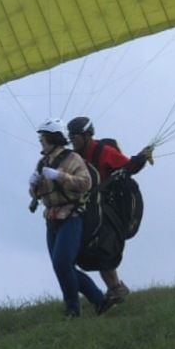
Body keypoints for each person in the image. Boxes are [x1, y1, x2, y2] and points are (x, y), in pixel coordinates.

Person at [29, 118, 115, 319]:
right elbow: (38, 194)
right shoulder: (43, 163)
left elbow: (85, 183)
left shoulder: (72, 159)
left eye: (42, 137)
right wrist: (33, 186)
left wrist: (59, 176)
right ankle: (100, 301)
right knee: (62, 267)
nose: (40, 140)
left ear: (51, 138)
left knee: (62, 264)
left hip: (72, 216)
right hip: (51, 218)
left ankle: (72, 309)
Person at [67, 116, 154, 304]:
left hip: (108, 208)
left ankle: (116, 289)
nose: (71, 140)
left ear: (87, 135)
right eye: (70, 136)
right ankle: (114, 289)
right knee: (89, 248)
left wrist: (140, 158)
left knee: (103, 247)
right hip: (89, 209)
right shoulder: (74, 157)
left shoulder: (103, 151)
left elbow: (127, 167)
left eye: (75, 136)